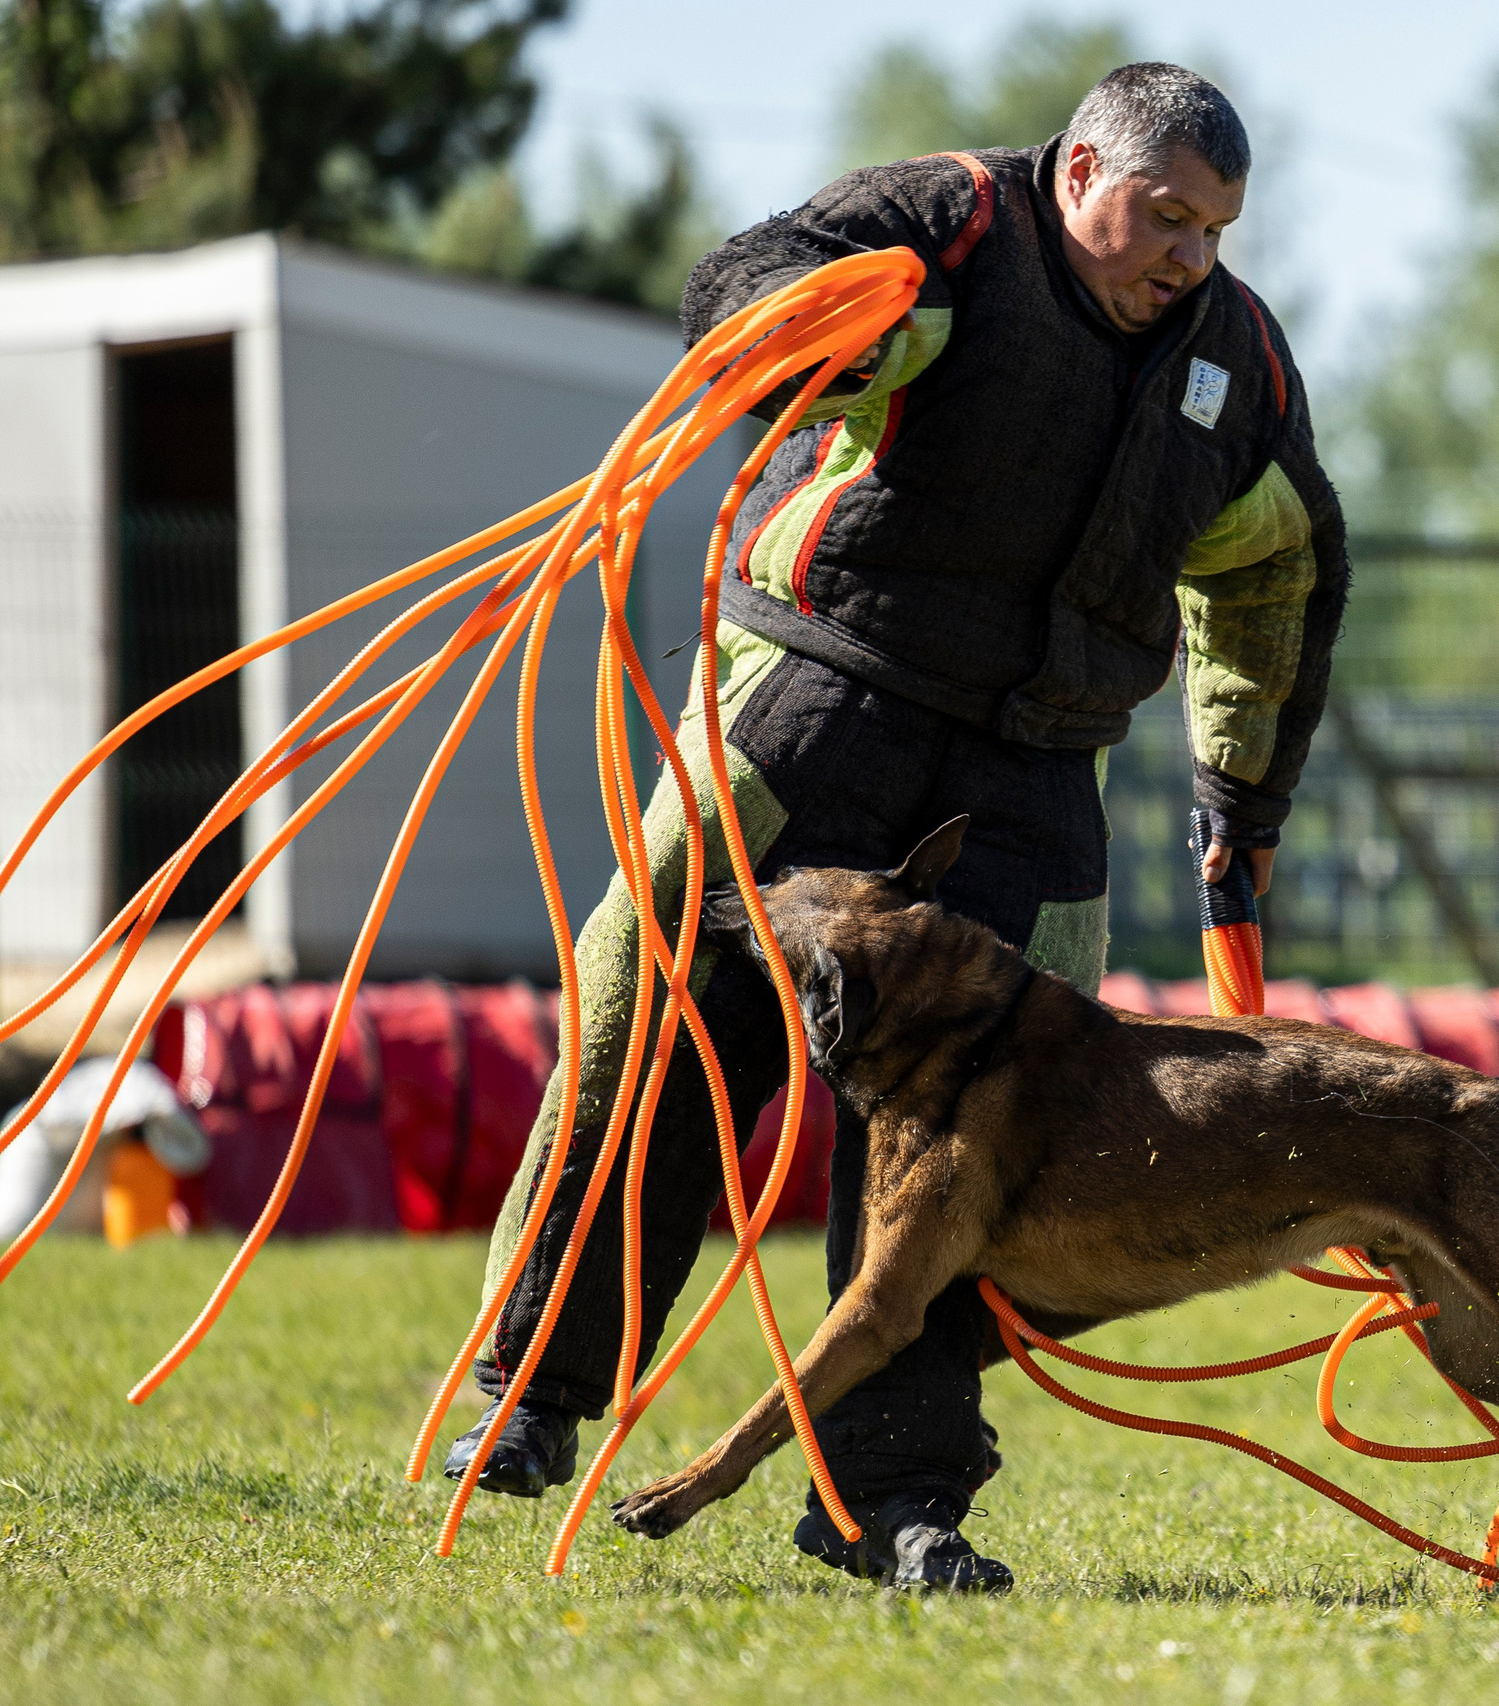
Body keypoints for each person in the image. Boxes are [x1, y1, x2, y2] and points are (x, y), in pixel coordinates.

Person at [444, 61, 1350, 1592]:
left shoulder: (1238, 362)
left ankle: (893, 1503)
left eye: (1217, 229)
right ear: (1079, 176)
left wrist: (1239, 798)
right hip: (820, 714)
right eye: (1167, 217)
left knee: (968, 1148)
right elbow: (747, 283)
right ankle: (533, 1394)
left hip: (1040, 776)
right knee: (669, 1028)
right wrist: (838, 323)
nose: (1191, 256)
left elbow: (1280, 571)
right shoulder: (952, 220)